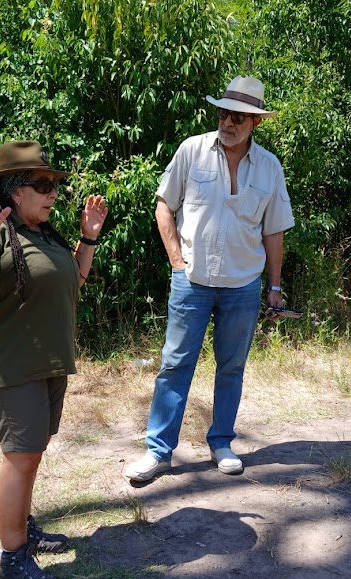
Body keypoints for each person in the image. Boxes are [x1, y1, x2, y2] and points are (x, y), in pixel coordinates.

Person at [0, 141, 108, 579]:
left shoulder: (44, 233)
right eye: (42, 184)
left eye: (53, 184)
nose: (52, 192)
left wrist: (88, 238)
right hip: (11, 363)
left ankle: (23, 526)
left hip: (45, 363)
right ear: (16, 191)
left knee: (32, 453)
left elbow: (72, 281)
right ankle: (13, 560)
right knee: (20, 458)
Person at [123, 76, 294, 484]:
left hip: (243, 284)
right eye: (223, 114)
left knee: (231, 367)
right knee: (174, 364)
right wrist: (176, 261)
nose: (228, 122)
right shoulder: (191, 150)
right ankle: (158, 451)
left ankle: (221, 442)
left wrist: (274, 287)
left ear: (255, 122)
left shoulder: (269, 167)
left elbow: (274, 231)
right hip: (192, 280)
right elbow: (164, 206)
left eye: (238, 117)